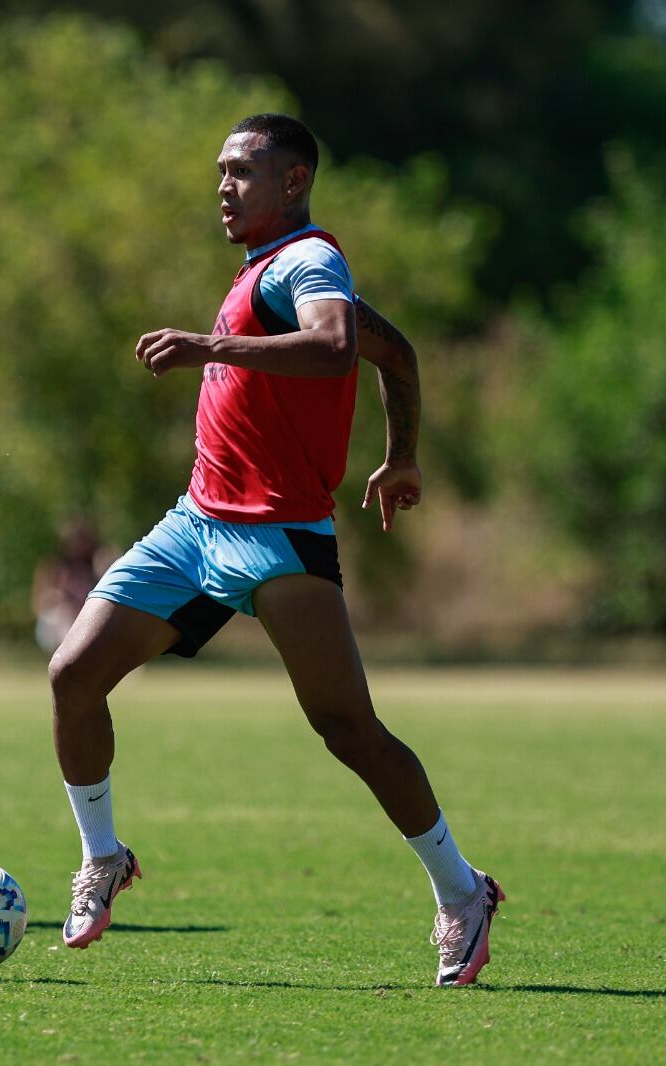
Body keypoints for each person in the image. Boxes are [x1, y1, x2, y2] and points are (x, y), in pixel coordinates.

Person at [48, 115, 504, 986]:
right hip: (195, 523)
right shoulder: (266, 269)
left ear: (293, 182)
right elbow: (394, 352)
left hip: (280, 535)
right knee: (72, 676)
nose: (223, 185)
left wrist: (207, 346)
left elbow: (338, 348)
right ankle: (102, 857)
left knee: (347, 730)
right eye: (219, 169)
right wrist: (402, 452)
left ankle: (461, 891)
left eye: (243, 170)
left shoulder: (307, 262)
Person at [31, 518, 115, 655]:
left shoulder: (97, 563)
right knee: (65, 611)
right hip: (57, 624)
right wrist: (60, 596)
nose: (78, 545)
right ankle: (71, 654)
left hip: (90, 618)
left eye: (83, 540)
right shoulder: (55, 566)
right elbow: (38, 604)